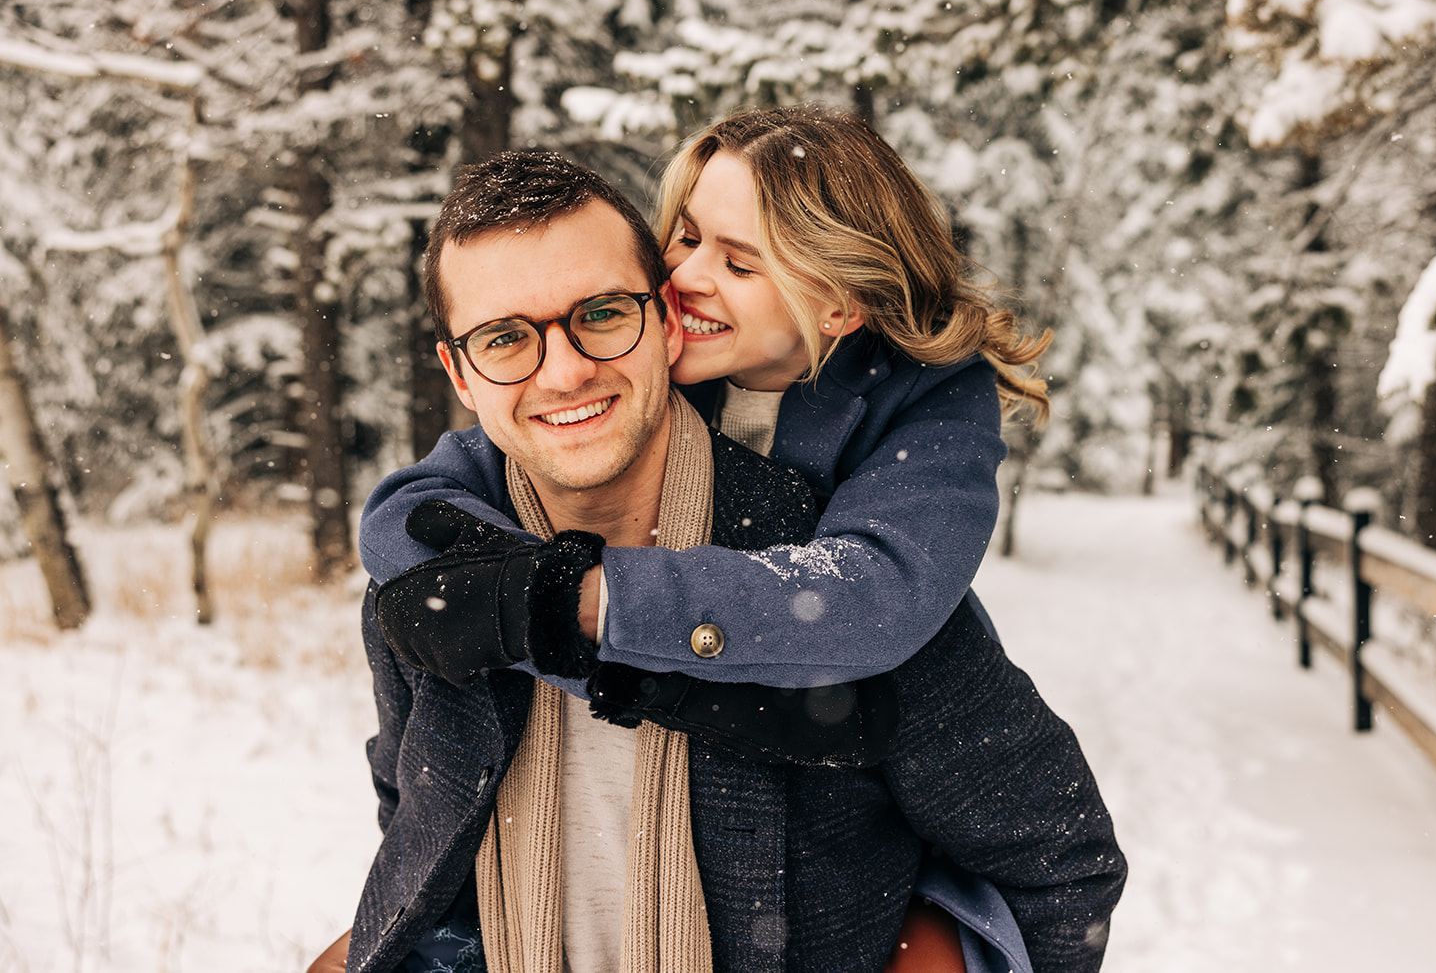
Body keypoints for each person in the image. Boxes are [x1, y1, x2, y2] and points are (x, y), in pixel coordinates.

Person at [344, 150, 1125, 973]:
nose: (565, 370)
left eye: (603, 313)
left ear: (669, 318)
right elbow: (420, 826)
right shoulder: (437, 580)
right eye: (505, 338)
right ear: (459, 373)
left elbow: (1060, 864)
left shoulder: (828, 585)